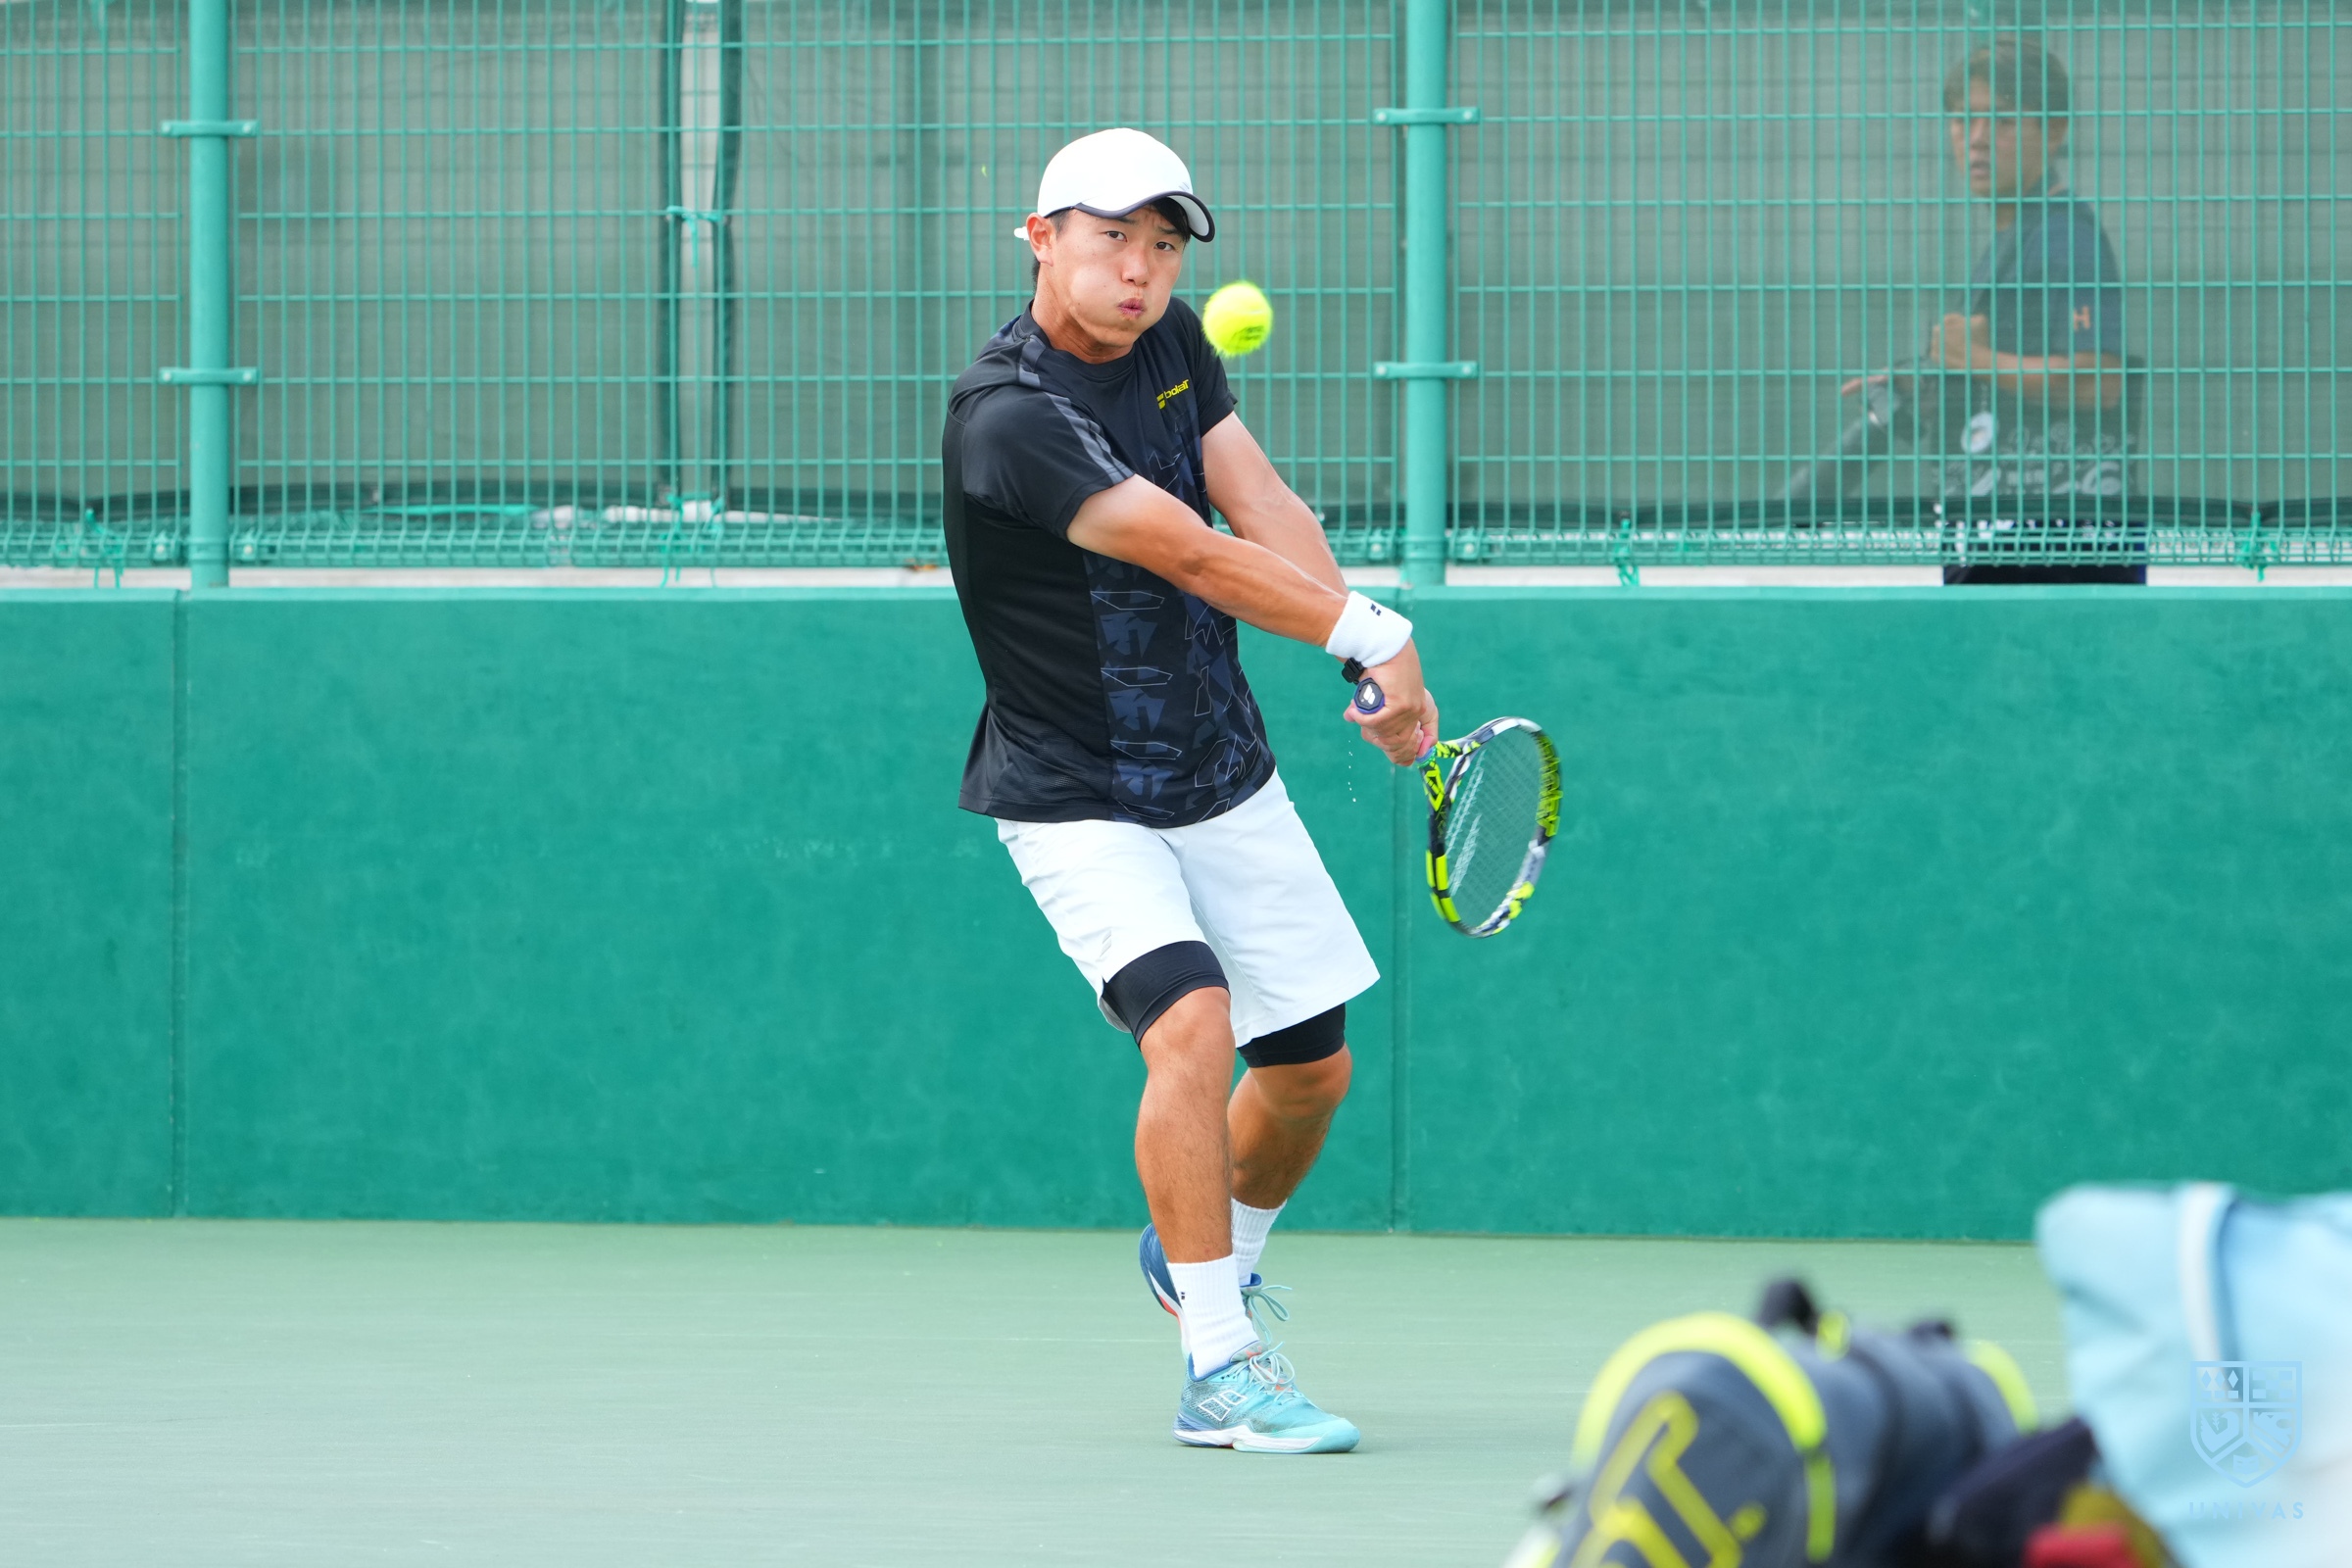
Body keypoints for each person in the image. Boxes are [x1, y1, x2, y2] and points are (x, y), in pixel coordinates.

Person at [939, 127, 1439, 1454]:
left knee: (1310, 1073)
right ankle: (1219, 1363)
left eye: (1163, 246)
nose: (1141, 270)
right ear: (1040, 238)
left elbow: (1255, 500)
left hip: (1219, 766)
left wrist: (1360, 649)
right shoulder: (1008, 417)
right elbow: (1193, 554)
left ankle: (1201, 1255)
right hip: (1075, 791)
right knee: (1193, 1023)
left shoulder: (1172, 346)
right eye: (1113, 238)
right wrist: (1375, 631)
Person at [1848, 40, 2140, 583]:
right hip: (2007, 546)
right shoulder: (2015, 237)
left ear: (2054, 132)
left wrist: (1974, 359)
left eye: (2001, 121)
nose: (1977, 138)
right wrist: (1940, 385)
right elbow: (2008, 376)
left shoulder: (2064, 236)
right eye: (1963, 120)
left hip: (2052, 560)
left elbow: (2100, 383)